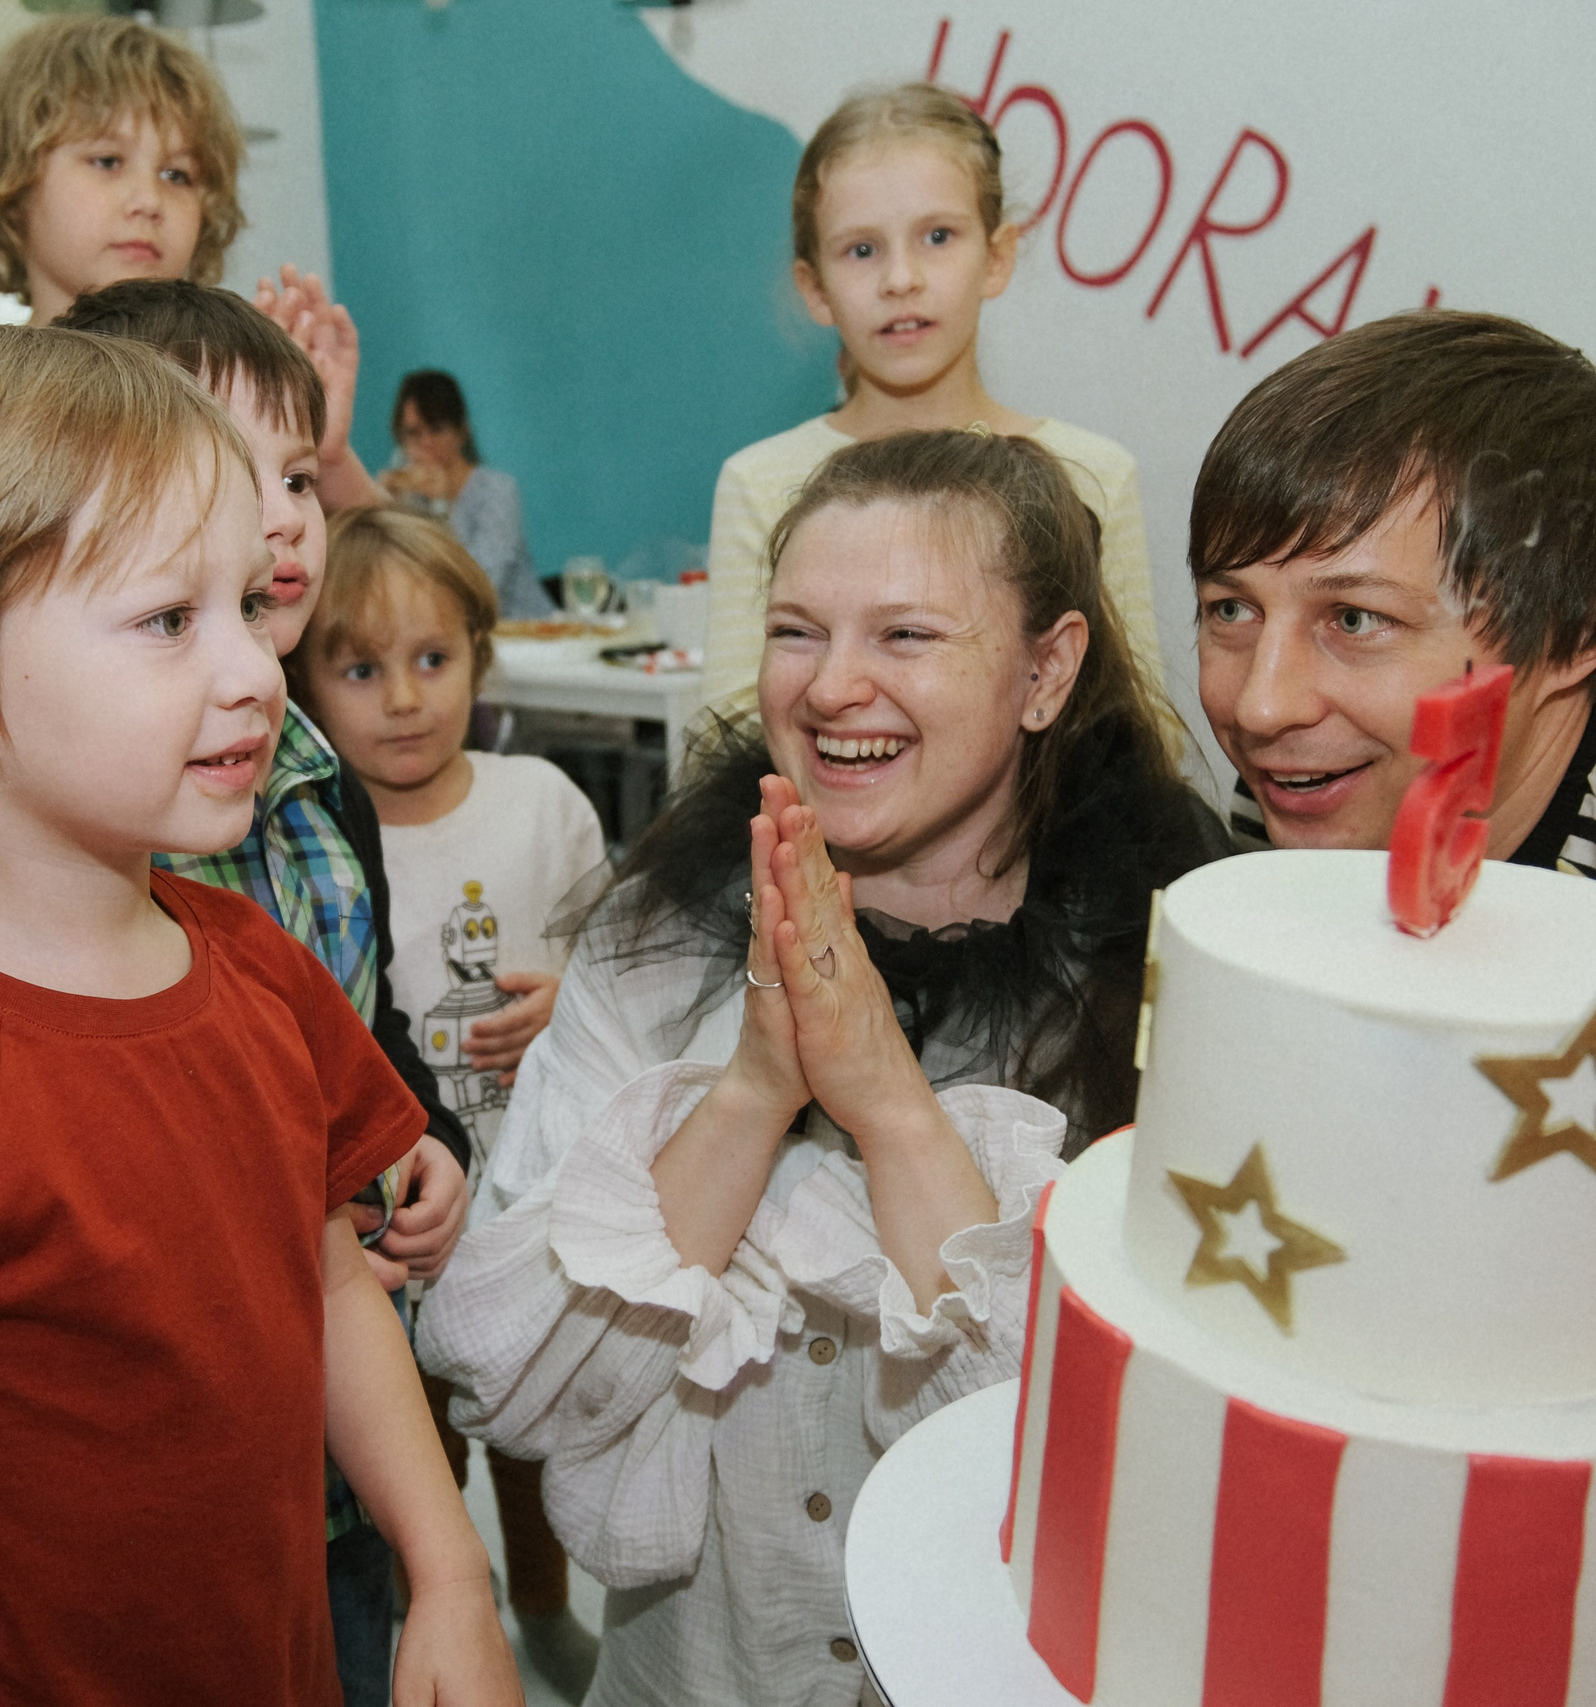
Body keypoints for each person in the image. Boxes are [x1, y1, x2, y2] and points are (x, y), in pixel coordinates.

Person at [0, 325, 521, 1705]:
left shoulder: (257, 970)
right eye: (168, 619)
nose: (253, 669)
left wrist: (449, 1571)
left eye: (249, 603)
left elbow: (329, 1282)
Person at [416, 430, 1230, 1706]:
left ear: (1045, 669)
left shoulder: (1169, 986)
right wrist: (750, 1091)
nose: (834, 686)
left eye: (905, 636)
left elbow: (1122, 1478)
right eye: (798, 631)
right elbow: (510, 1384)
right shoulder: (656, 941)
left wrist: (892, 1109)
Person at [290, 503, 607, 1700]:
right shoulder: (309, 832)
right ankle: (437, 1607)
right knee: (405, 1446)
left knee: (528, 1436)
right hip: (386, 1231)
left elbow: (619, 972)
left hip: (529, 1203)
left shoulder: (542, 801)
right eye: (360, 668)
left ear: (480, 652)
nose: (405, 698)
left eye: (433, 660)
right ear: (308, 683)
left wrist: (569, 995)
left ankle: (538, 1600)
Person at [1193, 309, 1596, 924]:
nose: (1261, 707)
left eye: (1356, 620)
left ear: (1573, 634)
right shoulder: (1309, 783)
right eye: (1232, 609)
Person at [698, 84, 1161, 714]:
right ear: (816, 288)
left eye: (938, 237)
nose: (900, 280)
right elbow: (724, 742)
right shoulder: (759, 482)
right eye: (862, 250)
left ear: (996, 257)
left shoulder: (1095, 474)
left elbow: (1138, 730)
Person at [0, 12, 245, 328]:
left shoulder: (214, 374)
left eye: (176, 175)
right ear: (12, 183)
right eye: (107, 161)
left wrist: (269, 373)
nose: (149, 201)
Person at [380, 370, 555, 621]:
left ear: (462, 431)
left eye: (437, 429)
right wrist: (383, 508)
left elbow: (483, 583)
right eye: (414, 433)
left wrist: (442, 507)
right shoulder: (409, 499)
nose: (426, 443)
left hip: (522, 631)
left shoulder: (498, 490)